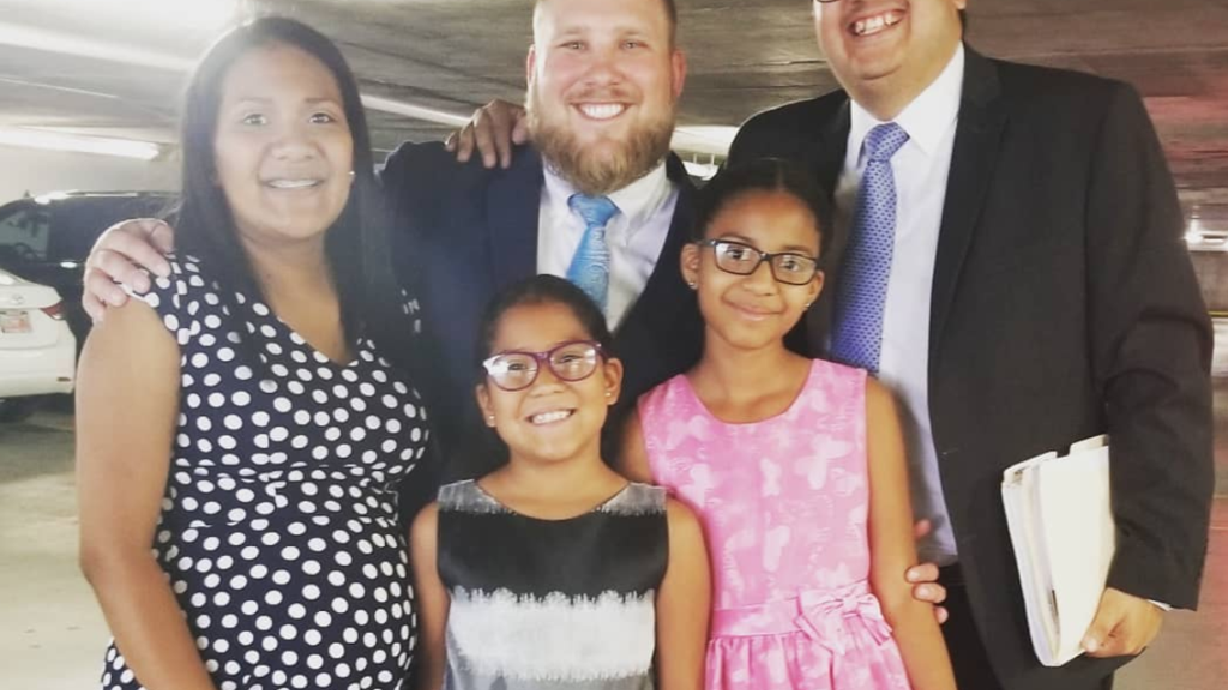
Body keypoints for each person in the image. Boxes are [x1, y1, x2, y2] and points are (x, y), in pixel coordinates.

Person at [79, 0, 949, 612]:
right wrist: (150, 236)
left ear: (677, 69)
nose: (600, 73)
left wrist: (858, 548)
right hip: (436, 617)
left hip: (654, 627)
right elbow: (287, 211)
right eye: (571, 45)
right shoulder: (432, 188)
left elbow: (791, 417)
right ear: (532, 69)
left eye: (631, 46)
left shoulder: (731, 258)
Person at [448, 2, 1214, 690]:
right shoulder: (777, 140)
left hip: (1024, 588)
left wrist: (1146, 567)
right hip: (812, 596)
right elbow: (711, 249)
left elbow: (1158, 352)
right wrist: (532, 127)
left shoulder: (1078, 126)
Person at [75, 17, 432, 690]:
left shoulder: (386, 306)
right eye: (254, 120)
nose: (293, 145)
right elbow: (112, 553)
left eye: (320, 116)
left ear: (352, 144)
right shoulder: (158, 301)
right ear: (210, 156)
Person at [622, 159, 956, 690]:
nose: (761, 281)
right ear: (692, 264)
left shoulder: (859, 403)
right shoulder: (651, 428)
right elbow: (656, 614)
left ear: (814, 287)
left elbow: (901, 590)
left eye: (791, 263)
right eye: (736, 253)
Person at [412, 274, 710, 690]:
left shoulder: (669, 530)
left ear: (609, 380)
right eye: (514, 367)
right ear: (487, 403)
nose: (546, 384)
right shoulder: (440, 527)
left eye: (571, 359)